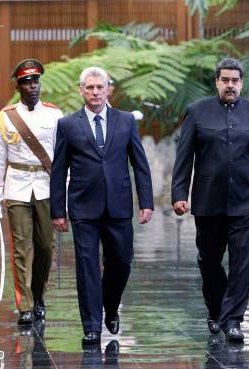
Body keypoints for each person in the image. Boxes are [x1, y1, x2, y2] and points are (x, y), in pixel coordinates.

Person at [171, 58, 249, 342]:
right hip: (208, 201)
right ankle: (215, 308)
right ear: (217, 82)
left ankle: (233, 320)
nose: (230, 85)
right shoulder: (197, 112)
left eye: (235, 81)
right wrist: (179, 194)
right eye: (225, 80)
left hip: (245, 199)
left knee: (241, 262)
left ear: (242, 83)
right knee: (209, 260)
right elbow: (184, 157)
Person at [50, 66, 154, 345]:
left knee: (121, 262)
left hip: (119, 205)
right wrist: (58, 211)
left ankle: (110, 306)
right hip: (83, 207)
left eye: (100, 87)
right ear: (81, 90)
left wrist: (146, 201)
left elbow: (140, 164)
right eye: (90, 87)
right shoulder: (68, 125)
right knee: (87, 267)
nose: (95, 92)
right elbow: (58, 169)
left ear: (109, 89)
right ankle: (92, 326)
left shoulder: (126, 121)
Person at [0, 59, 63, 326]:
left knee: (45, 246)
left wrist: (66, 190)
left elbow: (64, 156)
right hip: (18, 187)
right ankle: (26, 305)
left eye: (35, 81)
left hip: (46, 187)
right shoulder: (6, 117)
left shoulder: (55, 115)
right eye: (27, 82)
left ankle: (39, 295)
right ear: (18, 86)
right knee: (21, 247)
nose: (32, 86)